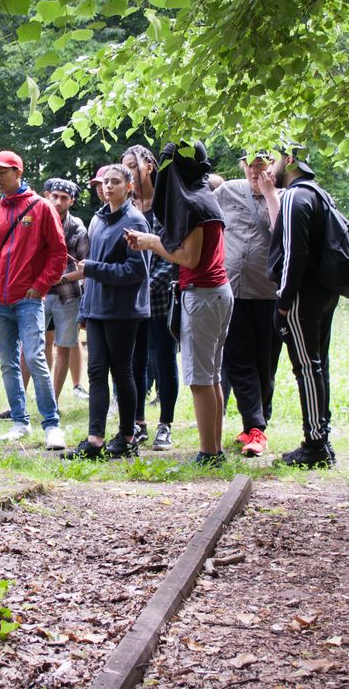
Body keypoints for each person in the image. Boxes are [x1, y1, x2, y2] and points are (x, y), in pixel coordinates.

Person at [126, 141, 231, 467]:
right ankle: (214, 451)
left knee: (200, 380)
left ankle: (208, 453)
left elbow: (190, 257)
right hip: (216, 294)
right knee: (211, 376)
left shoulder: (194, 205)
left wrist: (151, 242)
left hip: (202, 295)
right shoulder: (205, 198)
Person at [0, 150, 68, 451]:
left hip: (29, 299)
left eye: (3, 172)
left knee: (34, 358)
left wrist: (40, 286)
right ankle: (20, 422)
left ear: (18, 173)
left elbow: (58, 252)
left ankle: (52, 425)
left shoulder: (41, 207)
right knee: (8, 363)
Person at [63, 164, 150, 459]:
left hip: (123, 311)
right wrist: (84, 311)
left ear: (129, 187)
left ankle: (127, 436)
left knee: (122, 372)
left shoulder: (135, 221)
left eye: (115, 182)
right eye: (104, 182)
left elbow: (136, 270)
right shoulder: (99, 219)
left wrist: (94, 269)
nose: (108, 187)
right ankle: (95, 439)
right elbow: (90, 270)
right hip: (97, 309)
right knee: (96, 371)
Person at [267, 144, 339, 468]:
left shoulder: (295, 197)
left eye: (273, 159)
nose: (269, 168)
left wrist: (283, 303)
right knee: (318, 364)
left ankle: (314, 444)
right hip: (324, 293)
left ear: (290, 159)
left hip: (301, 297)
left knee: (307, 368)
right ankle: (321, 436)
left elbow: (293, 255)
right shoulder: (318, 194)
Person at [214, 149, 283, 457]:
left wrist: (270, 193)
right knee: (238, 361)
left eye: (262, 165)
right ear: (241, 166)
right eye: (250, 165)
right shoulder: (226, 191)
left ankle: (256, 426)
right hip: (232, 291)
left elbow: (283, 233)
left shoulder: (283, 196)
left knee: (265, 364)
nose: (256, 171)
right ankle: (255, 426)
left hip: (269, 293)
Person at [121, 145, 179, 450]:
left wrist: (150, 286)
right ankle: (138, 422)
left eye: (133, 165)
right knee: (135, 361)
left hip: (159, 295)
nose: (128, 170)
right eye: (124, 166)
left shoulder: (167, 204)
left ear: (150, 167)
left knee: (165, 359)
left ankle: (165, 424)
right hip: (131, 299)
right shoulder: (127, 207)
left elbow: (172, 254)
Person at [17, 178, 89, 407]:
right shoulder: (32, 219)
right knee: (28, 346)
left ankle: (53, 403)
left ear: (72, 201)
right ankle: (17, 402)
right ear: (46, 194)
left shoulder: (77, 227)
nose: (58, 201)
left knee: (65, 346)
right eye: (54, 196)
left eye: (64, 198)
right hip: (35, 293)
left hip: (66, 296)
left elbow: (86, 267)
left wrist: (60, 277)